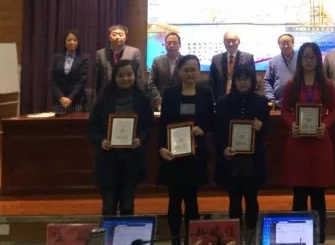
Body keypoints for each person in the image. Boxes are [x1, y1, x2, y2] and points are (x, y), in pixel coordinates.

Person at [281, 42, 335, 244]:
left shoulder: (327, 84)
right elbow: (284, 110)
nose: (308, 61)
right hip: (298, 144)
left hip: (319, 143)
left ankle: (319, 238)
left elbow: (334, 110)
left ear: (318, 60)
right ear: (300, 60)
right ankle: (297, 238)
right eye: (305, 57)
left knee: (318, 195)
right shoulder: (292, 84)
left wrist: (325, 124)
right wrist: (292, 124)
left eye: (312, 57)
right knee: (298, 194)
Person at [158, 55, 215, 245]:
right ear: (179, 71)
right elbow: (163, 123)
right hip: (173, 155)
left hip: (195, 156)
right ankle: (175, 239)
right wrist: (161, 148)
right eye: (186, 70)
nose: (190, 73)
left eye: (194, 69)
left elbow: (211, 120)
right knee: (174, 200)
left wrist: (203, 129)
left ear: (199, 71)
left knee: (192, 200)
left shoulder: (205, 93)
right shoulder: (170, 94)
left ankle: (191, 240)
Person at [87, 59, 155, 216]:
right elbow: (92, 128)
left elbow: (150, 126)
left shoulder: (142, 99)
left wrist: (140, 139)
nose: (126, 78)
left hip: (132, 160)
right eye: (121, 75)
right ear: (114, 77)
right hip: (108, 160)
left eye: (129, 74)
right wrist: (101, 141)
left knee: (127, 206)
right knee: (108, 206)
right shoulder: (104, 99)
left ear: (135, 75)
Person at [214, 64, 271, 244]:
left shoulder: (261, 102)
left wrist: (262, 127)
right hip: (231, 159)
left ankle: (252, 238)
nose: (243, 82)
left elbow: (269, 129)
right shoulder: (223, 102)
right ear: (234, 81)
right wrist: (223, 148)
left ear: (252, 81)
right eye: (239, 79)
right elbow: (217, 131)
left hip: (253, 160)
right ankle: (235, 238)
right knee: (234, 200)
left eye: (246, 79)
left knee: (252, 199)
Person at [94, 25, 143, 104]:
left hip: (129, 95)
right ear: (109, 37)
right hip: (105, 96)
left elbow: (139, 78)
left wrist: (140, 98)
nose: (117, 37)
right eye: (114, 34)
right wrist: (95, 101)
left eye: (121, 34)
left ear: (126, 37)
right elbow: (96, 80)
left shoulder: (134, 52)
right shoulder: (100, 53)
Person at [209, 31, 256, 104]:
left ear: (239, 42)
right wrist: (214, 100)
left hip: (241, 101)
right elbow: (212, 82)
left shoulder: (248, 58)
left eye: (233, 40)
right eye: (228, 41)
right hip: (220, 100)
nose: (231, 44)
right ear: (224, 42)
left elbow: (253, 81)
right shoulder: (216, 59)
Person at [50, 29, 88, 113]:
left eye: (75, 40)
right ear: (65, 42)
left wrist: (70, 98)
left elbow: (82, 81)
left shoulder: (84, 59)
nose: (72, 42)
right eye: (69, 40)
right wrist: (61, 97)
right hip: (59, 101)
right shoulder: (56, 58)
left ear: (78, 42)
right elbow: (52, 80)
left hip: (77, 101)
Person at [148, 32, 182, 110]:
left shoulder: (185, 61)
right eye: (169, 43)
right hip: (160, 103)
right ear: (165, 44)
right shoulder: (157, 61)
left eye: (175, 43)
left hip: (181, 102)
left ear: (180, 45)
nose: (172, 45)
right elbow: (151, 83)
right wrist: (158, 100)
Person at [264, 34, 297, 108]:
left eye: (288, 43)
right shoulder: (273, 61)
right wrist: (271, 98)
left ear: (293, 44)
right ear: (279, 45)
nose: (286, 46)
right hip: (279, 104)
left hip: (299, 103)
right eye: (283, 44)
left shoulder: (301, 59)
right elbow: (267, 81)